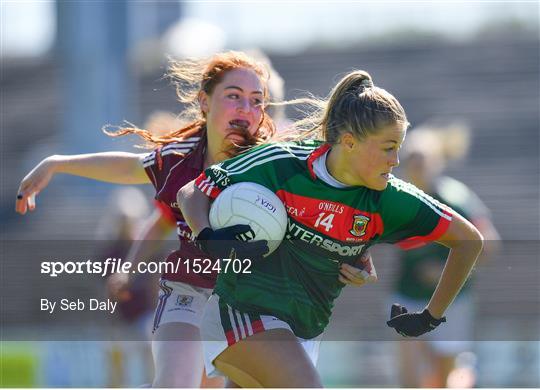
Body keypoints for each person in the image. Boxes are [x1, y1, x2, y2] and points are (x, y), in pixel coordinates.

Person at [16, 51, 375, 388]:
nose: (246, 108)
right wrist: (57, 163)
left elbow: (330, 207)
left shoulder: (275, 163)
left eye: (256, 100)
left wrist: (357, 256)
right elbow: (127, 169)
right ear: (205, 102)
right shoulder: (179, 158)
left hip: (256, 301)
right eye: (233, 95)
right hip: (189, 291)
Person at [177, 70, 485, 388]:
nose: (396, 160)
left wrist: (429, 316)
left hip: (305, 332)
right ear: (349, 142)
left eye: (399, 148)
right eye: (388, 147)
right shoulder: (283, 162)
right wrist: (207, 237)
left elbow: (469, 241)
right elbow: (192, 192)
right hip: (242, 311)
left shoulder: (389, 198)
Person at [391, 124, 500, 388]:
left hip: (453, 299)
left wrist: (444, 273)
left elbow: (489, 246)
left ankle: (463, 372)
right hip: (408, 294)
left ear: (436, 163)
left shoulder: (455, 199)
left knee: (444, 378)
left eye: (422, 160)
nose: (415, 167)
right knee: (409, 376)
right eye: (410, 160)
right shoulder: (398, 197)